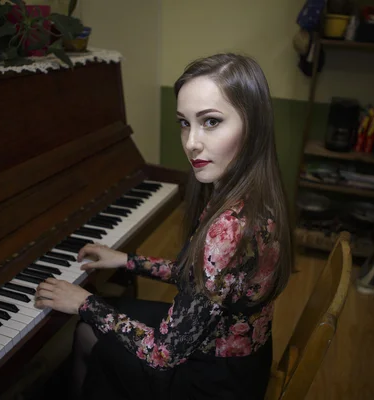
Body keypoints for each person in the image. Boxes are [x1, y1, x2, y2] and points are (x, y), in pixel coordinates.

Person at [34, 53, 294, 400]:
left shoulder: (229, 227)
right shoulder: (254, 192)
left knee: (86, 331)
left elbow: (162, 354)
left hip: (216, 381)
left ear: (253, 124)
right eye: (184, 123)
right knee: (100, 322)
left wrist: (85, 302)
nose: (191, 142)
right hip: (243, 356)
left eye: (211, 122)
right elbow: (205, 279)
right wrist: (127, 260)